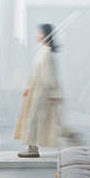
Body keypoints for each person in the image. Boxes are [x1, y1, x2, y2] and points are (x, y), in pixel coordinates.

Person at [12, 23, 65, 158]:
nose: (37, 35)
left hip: (42, 93)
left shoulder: (46, 53)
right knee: (32, 119)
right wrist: (29, 88)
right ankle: (32, 147)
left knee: (34, 120)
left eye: (39, 33)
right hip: (36, 91)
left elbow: (49, 76)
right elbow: (36, 73)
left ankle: (33, 148)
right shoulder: (42, 51)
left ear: (45, 34)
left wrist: (52, 94)